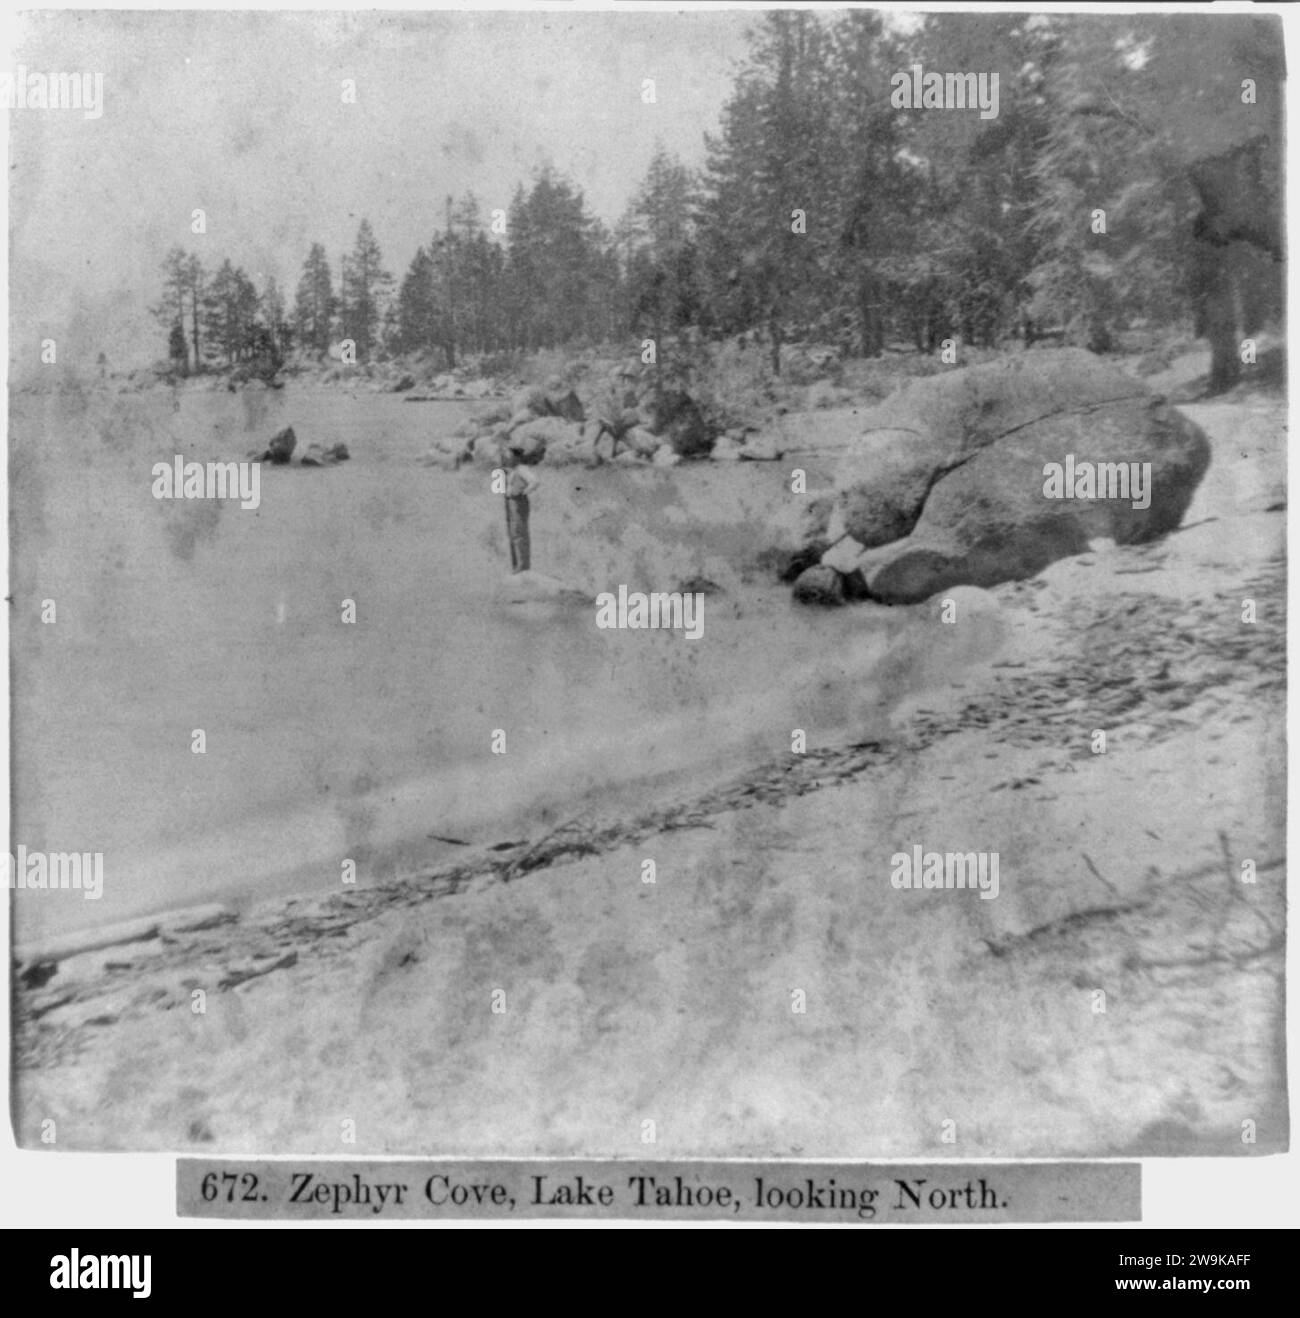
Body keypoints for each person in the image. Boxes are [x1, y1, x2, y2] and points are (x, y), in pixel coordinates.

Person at [502, 442, 540, 573]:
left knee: (519, 532)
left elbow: (535, 481)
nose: (508, 458)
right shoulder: (514, 470)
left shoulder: (522, 469)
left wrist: (524, 492)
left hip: (519, 502)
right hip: (512, 502)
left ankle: (523, 565)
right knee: (515, 532)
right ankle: (520, 564)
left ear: (516, 456)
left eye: (510, 455)